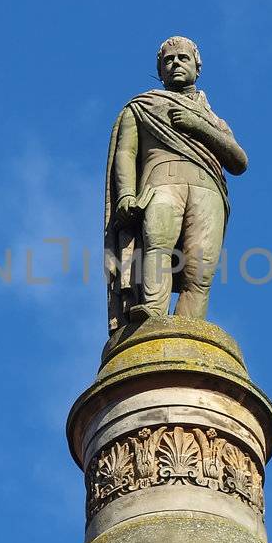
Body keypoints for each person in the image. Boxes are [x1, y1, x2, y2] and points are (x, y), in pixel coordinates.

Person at [103, 36, 248, 332]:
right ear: (160, 71)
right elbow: (125, 153)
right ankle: (153, 312)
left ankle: (188, 330)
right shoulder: (142, 107)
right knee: (158, 243)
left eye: (183, 58)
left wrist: (200, 127)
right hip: (160, 182)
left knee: (200, 267)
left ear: (197, 66)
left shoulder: (213, 119)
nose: (175, 64)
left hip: (208, 188)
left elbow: (239, 161)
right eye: (168, 61)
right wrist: (126, 193)